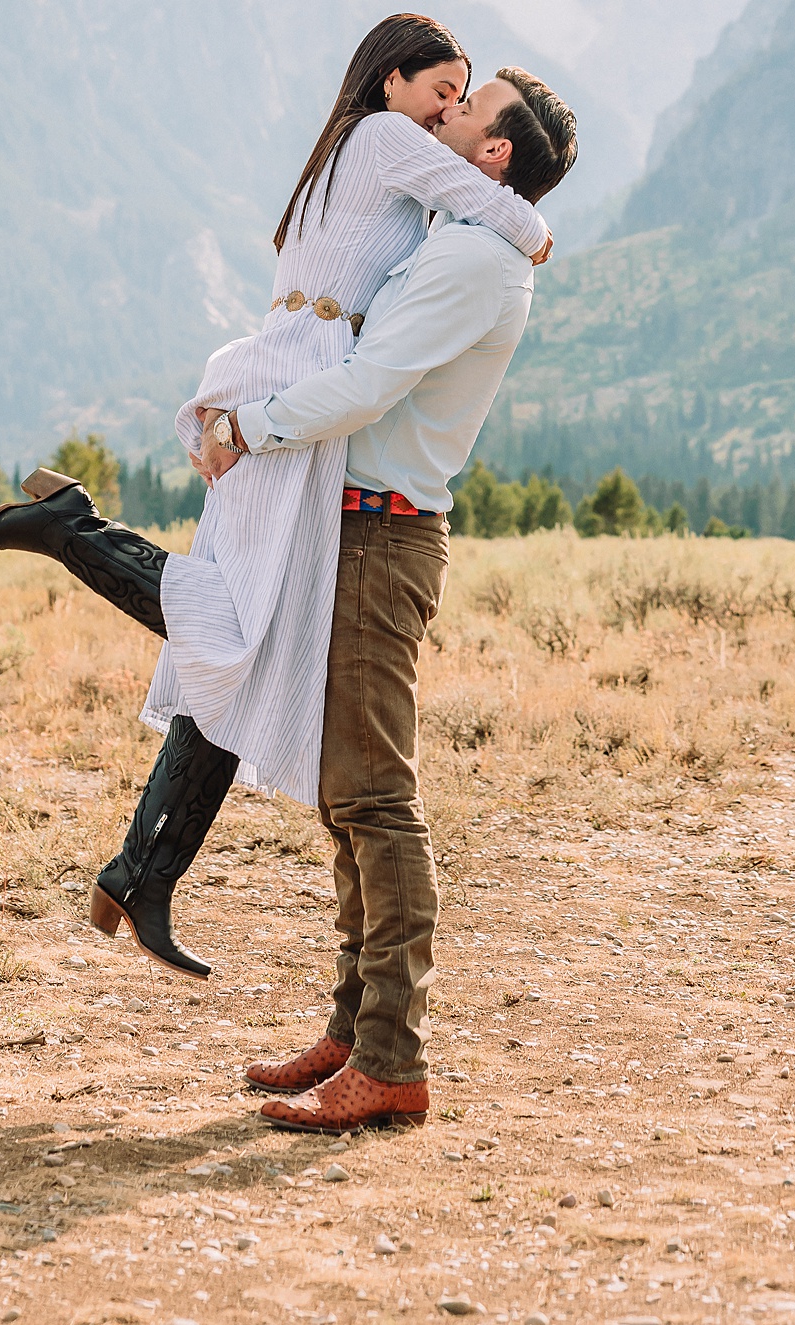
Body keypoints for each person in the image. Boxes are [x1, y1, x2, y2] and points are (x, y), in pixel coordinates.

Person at [0, 14, 552, 978]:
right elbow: (518, 222)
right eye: (445, 88)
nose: (448, 108)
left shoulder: (365, 147)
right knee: (241, 626)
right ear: (395, 81)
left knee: (242, 638)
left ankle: (144, 868)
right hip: (297, 387)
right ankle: (72, 529)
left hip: (286, 372)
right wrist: (538, 225)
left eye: (464, 98)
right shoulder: (388, 139)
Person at [195, 63, 577, 1131]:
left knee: (375, 799)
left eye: (469, 108)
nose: (445, 115)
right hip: (351, 522)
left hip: (380, 534)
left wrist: (244, 428)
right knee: (346, 794)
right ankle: (353, 1029)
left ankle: (391, 1059)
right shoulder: (453, 234)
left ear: (496, 154)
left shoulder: (469, 260)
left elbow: (367, 385)